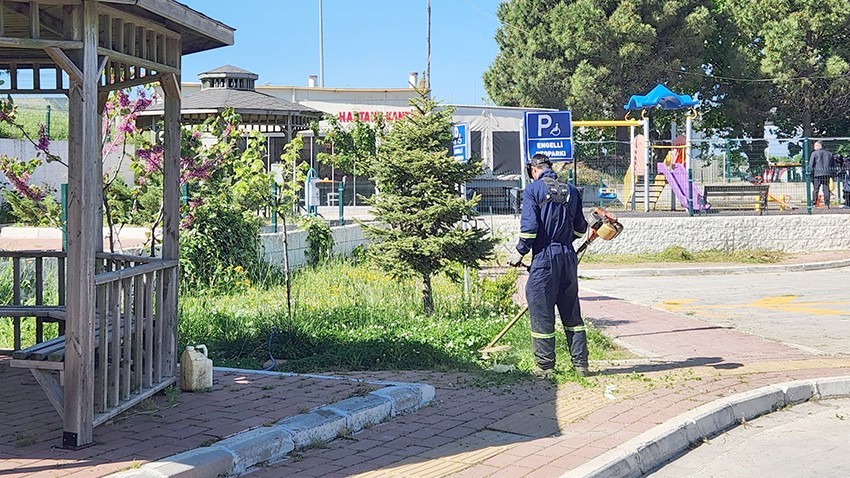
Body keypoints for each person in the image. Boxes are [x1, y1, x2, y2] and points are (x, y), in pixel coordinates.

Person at [508, 153, 590, 378]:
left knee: (541, 309)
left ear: (534, 170)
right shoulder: (571, 190)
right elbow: (581, 229)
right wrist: (564, 242)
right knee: (571, 311)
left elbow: (530, 229)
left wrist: (519, 252)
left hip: (544, 257)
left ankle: (545, 367)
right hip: (568, 257)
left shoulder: (533, 191)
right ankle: (581, 364)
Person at [809, 141, 836, 208]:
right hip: (827, 173)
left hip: (817, 174)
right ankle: (827, 204)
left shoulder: (814, 153)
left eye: (815, 146)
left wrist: (810, 173)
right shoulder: (829, 154)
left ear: (818, 146)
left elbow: (811, 165)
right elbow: (833, 165)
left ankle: (814, 203)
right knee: (826, 189)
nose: (814, 148)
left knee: (816, 189)